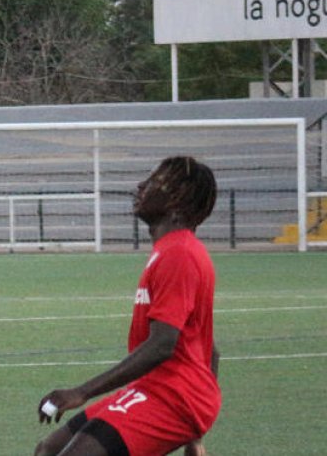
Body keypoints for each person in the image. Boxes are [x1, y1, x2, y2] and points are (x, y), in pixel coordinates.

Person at [34, 156, 220, 456]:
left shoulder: (180, 254)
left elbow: (162, 345)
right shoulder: (171, 250)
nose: (141, 186)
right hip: (158, 389)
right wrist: (195, 435)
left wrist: (82, 391)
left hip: (173, 398)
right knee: (48, 450)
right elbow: (208, 347)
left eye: (154, 183)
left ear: (177, 201)